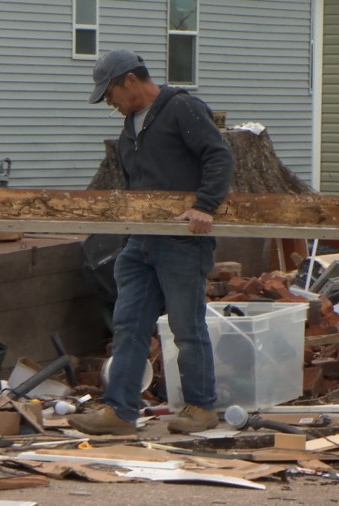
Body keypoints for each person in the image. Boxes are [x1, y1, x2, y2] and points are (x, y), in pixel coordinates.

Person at [68, 49, 234, 435]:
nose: (108, 102)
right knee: (128, 324)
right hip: (140, 242)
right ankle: (120, 412)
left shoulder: (183, 108)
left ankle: (201, 407)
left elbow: (218, 157)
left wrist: (205, 206)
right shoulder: (131, 125)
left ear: (129, 80)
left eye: (109, 93)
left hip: (180, 241)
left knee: (186, 326)